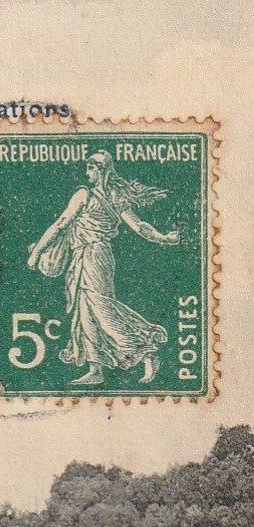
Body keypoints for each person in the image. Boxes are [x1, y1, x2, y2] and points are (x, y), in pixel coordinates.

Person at [27, 150, 180, 386]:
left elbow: (60, 224)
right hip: (87, 255)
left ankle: (144, 351)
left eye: (90, 168)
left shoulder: (84, 194)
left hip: (93, 255)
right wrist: (164, 238)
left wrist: (37, 251)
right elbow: (140, 226)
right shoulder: (114, 195)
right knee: (85, 311)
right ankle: (95, 368)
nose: (87, 173)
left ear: (100, 170)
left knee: (100, 307)